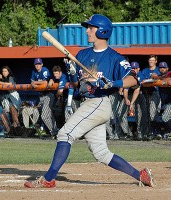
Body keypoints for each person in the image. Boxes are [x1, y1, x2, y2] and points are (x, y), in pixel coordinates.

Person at [24, 14, 154, 188]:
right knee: (101, 152)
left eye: (91, 28)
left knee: (65, 134)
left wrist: (112, 83)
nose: (87, 31)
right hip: (87, 102)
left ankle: (48, 179)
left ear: (102, 31)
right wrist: (71, 71)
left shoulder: (114, 58)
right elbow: (77, 84)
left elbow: (133, 80)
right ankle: (141, 175)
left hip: (99, 102)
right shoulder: (82, 54)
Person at [31, 58, 58, 136]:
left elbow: (45, 82)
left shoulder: (44, 70)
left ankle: (54, 131)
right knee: (45, 115)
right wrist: (33, 83)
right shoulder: (34, 72)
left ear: (42, 64)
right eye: (36, 64)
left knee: (45, 115)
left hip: (48, 95)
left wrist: (35, 82)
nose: (37, 66)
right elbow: (31, 83)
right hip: (41, 96)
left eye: (39, 64)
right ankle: (54, 131)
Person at [139, 55, 161, 140]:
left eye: (153, 60)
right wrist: (150, 78)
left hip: (155, 93)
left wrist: (155, 78)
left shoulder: (159, 69)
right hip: (146, 94)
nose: (151, 62)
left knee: (153, 115)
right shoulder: (145, 70)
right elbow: (142, 80)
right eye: (150, 60)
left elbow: (160, 78)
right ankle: (148, 132)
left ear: (156, 61)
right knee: (146, 114)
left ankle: (155, 132)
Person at [0, 66, 21, 132]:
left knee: (13, 112)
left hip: (13, 96)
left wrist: (0, 82)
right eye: (3, 71)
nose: (4, 73)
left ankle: (17, 129)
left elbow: (10, 84)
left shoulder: (10, 77)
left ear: (8, 72)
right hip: (6, 98)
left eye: (5, 71)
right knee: (2, 115)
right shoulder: (2, 78)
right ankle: (9, 131)